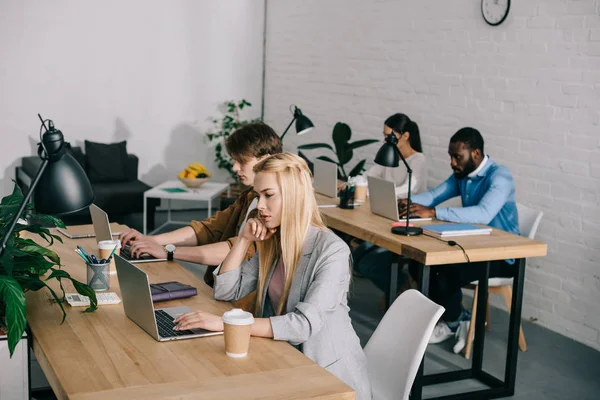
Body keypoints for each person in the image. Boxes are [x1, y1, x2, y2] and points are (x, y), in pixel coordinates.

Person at [173, 153, 372, 399]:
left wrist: (228, 323)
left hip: (329, 379)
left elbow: (303, 326)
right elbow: (226, 291)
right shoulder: (272, 241)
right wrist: (243, 240)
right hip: (283, 360)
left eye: (269, 195)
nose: (260, 206)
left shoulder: (332, 251)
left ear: (294, 195)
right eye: (258, 196)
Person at [400, 127, 519, 353]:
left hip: (502, 256)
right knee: (418, 263)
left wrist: (433, 212)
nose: (453, 162)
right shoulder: (463, 174)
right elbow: (435, 195)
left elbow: (483, 213)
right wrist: (406, 202)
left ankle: (453, 321)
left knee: (445, 273)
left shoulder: (500, 176)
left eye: (457, 156)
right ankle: (458, 317)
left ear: (475, 154)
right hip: (472, 247)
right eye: (451, 156)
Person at [119, 122, 283, 287]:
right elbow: (208, 229)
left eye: (241, 161)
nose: (234, 167)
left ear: (266, 159)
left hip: (243, 300)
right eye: (234, 160)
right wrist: (152, 240)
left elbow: (236, 250)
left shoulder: (272, 208)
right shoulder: (249, 196)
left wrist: (168, 251)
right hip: (222, 288)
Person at [353, 113, 427, 296]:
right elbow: (369, 175)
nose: (386, 140)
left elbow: (410, 190)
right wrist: (353, 183)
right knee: (355, 258)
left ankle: (404, 291)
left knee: (367, 263)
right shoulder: (390, 155)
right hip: (383, 217)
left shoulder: (418, 161)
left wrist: (374, 191)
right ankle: (399, 289)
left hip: (404, 221)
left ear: (406, 136)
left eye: (389, 136)